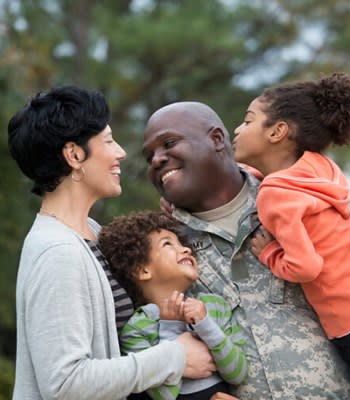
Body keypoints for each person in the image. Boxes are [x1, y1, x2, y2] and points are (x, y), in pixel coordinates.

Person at [142, 98, 350, 399]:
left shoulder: (309, 205)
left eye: (169, 143)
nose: (157, 160)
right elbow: (151, 338)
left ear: (216, 139)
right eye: (149, 156)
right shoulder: (166, 247)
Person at [8, 86, 215, 400]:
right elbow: (65, 383)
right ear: (75, 155)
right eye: (107, 141)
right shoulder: (57, 253)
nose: (120, 152)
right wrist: (174, 357)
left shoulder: (90, 232)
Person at [232, 72, 350, 393]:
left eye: (248, 121)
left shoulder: (275, 196)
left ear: (277, 131)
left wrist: (269, 254)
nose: (237, 129)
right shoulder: (318, 169)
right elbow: (285, 180)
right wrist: (250, 170)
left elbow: (306, 267)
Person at [98, 210, 248, 399]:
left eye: (181, 243)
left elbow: (238, 374)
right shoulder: (136, 329)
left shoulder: (214, 306)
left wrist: (206, 325)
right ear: (143, 270)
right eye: (168, 243)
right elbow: (163, 395)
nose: (186, 249)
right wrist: (169, 327)